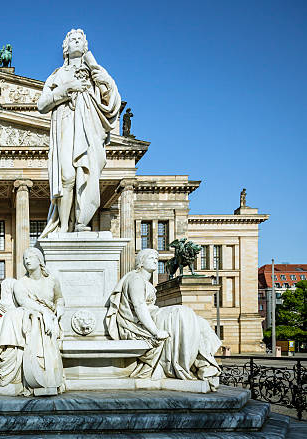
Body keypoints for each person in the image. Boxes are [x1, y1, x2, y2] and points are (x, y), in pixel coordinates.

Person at [37, 29, 122, 237]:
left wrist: (103, 79)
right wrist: (67, 89)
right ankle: (64, 227)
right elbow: (42, 104)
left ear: (85, 46)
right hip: (65, 127)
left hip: (88, 130)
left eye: (79, 40)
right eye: (72, 39)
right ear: (65, 47)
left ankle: (81, 222)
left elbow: (110, 100)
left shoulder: (95, 72)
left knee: (85, 174)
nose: (76, 42)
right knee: (67, 176)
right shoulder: (57, 75)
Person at [105, 249, 221, 391]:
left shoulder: (145, 282)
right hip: (140, 324)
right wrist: (155, 332)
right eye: (151, 258)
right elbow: (139, 306)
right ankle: (191, 365)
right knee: (182, 312)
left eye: (156, 258)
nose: (155, 260)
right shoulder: (135, 279)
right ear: (141, 262)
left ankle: (204, 366)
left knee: (199, 321)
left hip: (152, 316)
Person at [0, 248, 65, 396]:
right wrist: (43, 312)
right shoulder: (21, 283)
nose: (27, 260)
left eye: (30, 257)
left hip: (49, 320)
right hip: (31, 315)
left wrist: (59, 309)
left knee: (13, 316)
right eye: (25, 258)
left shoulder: (52, 281)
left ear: (39, 260)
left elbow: (59, 299)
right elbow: (24, 302)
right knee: (14, 315)